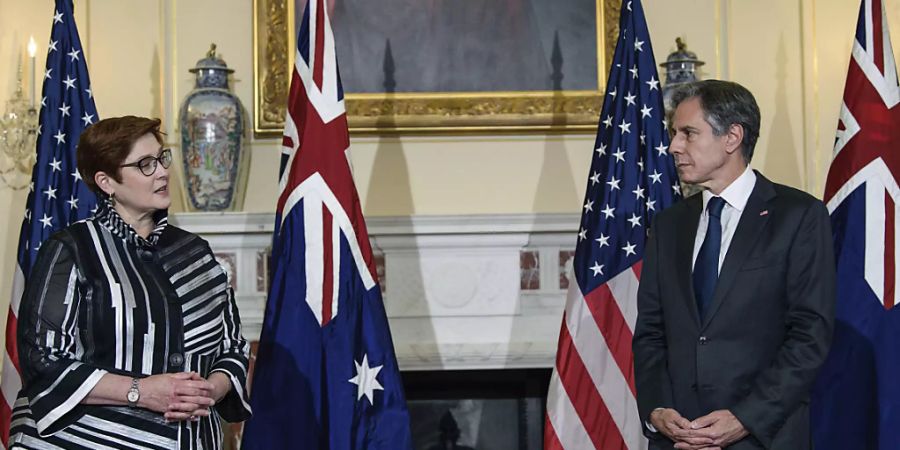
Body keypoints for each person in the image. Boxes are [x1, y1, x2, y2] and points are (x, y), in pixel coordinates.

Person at [9, 116, 251, 449]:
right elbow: (43, 359)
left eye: (162, 158)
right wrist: (142, 391)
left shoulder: (195, 252)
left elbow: (233, 348)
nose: (163, 171)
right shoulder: (72, 250)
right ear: (107, 182)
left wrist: (214, 388)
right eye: (145, 165)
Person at [633, 80, 835, 450]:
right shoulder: (669, 225)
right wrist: (657, 409)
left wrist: (746, 418)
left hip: (761, 438)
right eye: (674, 134)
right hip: (678, 441)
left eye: (688, 133)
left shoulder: (798, 216)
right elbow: (651, 331)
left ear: (732, 137)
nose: (674, 146)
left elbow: (810, 335)